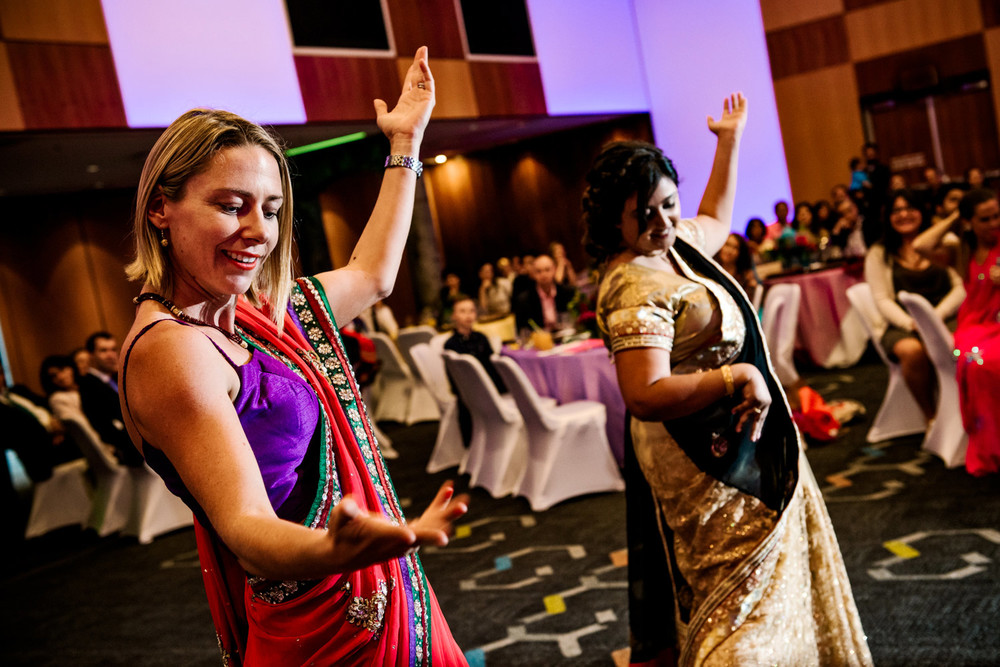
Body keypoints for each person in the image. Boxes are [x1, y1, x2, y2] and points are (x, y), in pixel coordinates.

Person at [118, 48, 470, 665]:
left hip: (370, 599)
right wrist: (340, 553)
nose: (259, 230)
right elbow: (250, 529)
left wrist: (407, 142)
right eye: (232, 206)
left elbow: (373, 274)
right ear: (160, 209)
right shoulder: (171, 351)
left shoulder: (253, 317)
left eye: (272, 209)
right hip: (320, 625)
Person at [585, 94, 871, 666]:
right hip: (697, 453)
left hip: (741, 432)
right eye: (644, 215)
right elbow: (643, 394)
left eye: (669, 204)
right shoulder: (632, 286)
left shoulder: (673, 247)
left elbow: (714, 217)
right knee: (731, 591)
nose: (663, 222)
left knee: (769, 576)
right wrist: (736, 373)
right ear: (613, 221)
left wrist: (729, 140)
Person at [914, 188, 1000, 475]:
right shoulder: (964, 251)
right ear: (969, 222)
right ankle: (991, 445)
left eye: (997, 216)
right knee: (980, 363)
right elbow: (922, 245)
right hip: (975, 328)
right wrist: (955, 217)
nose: (993, 224)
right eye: (985, 219)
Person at [864, 189, 965, 422]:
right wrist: (912, 322)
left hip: (945, 315)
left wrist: (934, 317)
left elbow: (960, 286)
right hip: (902, 323)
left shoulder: (945, 242)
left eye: (910, 208)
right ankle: (931, 417)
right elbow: (882, 299)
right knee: (912, 351)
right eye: (896, 210)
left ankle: (967, 410)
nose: (904, 215)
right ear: (888, 216)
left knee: (964, 344)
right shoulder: (879, 253)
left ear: (922, 212)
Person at [444, 296, 506, 445]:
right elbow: (454, 379)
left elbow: (493, 365)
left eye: (471, 311)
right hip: (469, 393)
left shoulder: (481, 338)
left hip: (489, 387)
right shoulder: (451, 345)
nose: (468, 315)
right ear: (454, 316)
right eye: (463, 311)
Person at [78, 331, 143, 466]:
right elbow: (105, 428)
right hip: (131, 453)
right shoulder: (88, 386)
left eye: (113, 349)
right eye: (103, 350)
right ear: (90, 355)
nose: (111, 355)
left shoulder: (116, 378)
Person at [512, 254, 576, 333]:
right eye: (539, 271)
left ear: (554, 270)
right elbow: (522, 330)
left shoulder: (567, 292)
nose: (543, 274)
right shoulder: (524, 300)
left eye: (547, 270)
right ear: (533, 274)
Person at [713, 232, 758, 297]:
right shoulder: (711, 268)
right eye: (727, 245)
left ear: (741, 252)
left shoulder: (745, 276)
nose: (729, 251)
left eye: (735, 248)